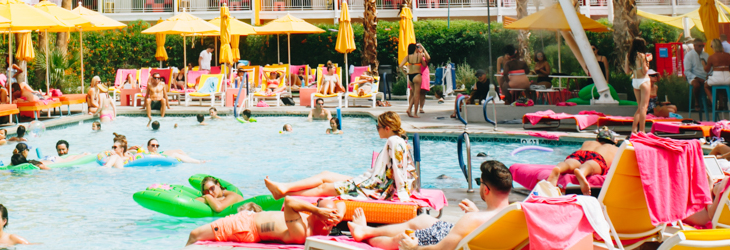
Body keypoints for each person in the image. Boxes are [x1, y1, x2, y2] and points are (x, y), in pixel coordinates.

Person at [345, 160, 514, 250]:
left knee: (403, 238)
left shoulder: (472, 220)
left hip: (448, 244)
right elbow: (491, 228)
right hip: (469, 235)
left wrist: (415, 248)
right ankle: (367, 230)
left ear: (486, 190)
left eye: (480, 182)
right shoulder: (514, 213)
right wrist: (477, 213)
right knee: (423, 220)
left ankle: (366, 238)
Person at [265, 112, 414, 200]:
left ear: (387, 128)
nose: (377, 130)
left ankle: (285, 194)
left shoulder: (394, 141)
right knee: (325, 174)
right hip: (370, 181)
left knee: (323, 187)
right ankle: (284, 188)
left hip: (374, 189)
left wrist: (403, 194)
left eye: (378, 127)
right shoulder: (397, 141)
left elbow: (400, 169)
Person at [186, 196, 346, 245]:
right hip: (248, 219)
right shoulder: (324, 224)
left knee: (194, 234)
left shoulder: (303, 231)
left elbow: (289, 202)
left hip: (244, 227)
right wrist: (338, 214)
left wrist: (318, 210)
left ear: (323, 217)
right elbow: (343, 203)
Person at [545, 135, 620, 195]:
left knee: (570, 163)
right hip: (598, 156)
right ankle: (582, 172)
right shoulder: (614, 148)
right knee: (591, 165)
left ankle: (559, 168)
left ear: (597, 139)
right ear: (614, 142)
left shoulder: (588, 142)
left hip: (581, 153)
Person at [631, 37, 653, 134]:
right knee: (644, 107)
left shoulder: (629, 56)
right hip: (643, 81)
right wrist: (647, 60)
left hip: (635, 81)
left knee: (640, 107)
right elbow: (645, 71)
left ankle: (633, 130)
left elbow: (627, 70)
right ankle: (642, 131)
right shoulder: (642, 56)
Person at [683, 38, 708, 117]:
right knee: (696, 85)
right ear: (694, 46)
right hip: (693, 76)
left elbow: (710, 68)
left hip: (704, 76)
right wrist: (697, 78)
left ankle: (711, 102)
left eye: (702, 46)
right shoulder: (689, 55)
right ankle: (697, 101)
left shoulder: (706, 55)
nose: (701, 48)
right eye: (699, 46)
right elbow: (687, 71)